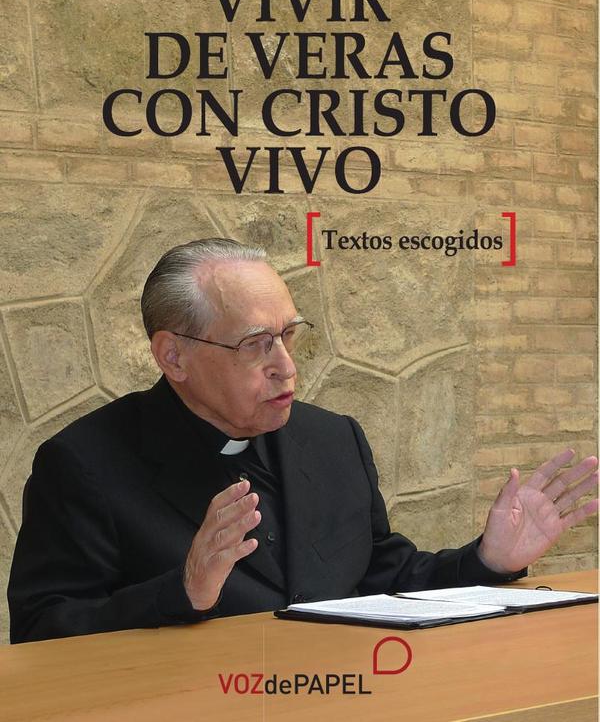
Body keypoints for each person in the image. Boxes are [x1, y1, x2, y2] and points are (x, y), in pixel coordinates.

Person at [8, 239, 598, 643]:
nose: (286, 367)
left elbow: (383, 580)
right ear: (174, 356)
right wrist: (180, 592)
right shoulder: (84, 464)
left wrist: (488, 561)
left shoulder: (333, 438)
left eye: (290, 335)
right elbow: (42, 632)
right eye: (256, 344)